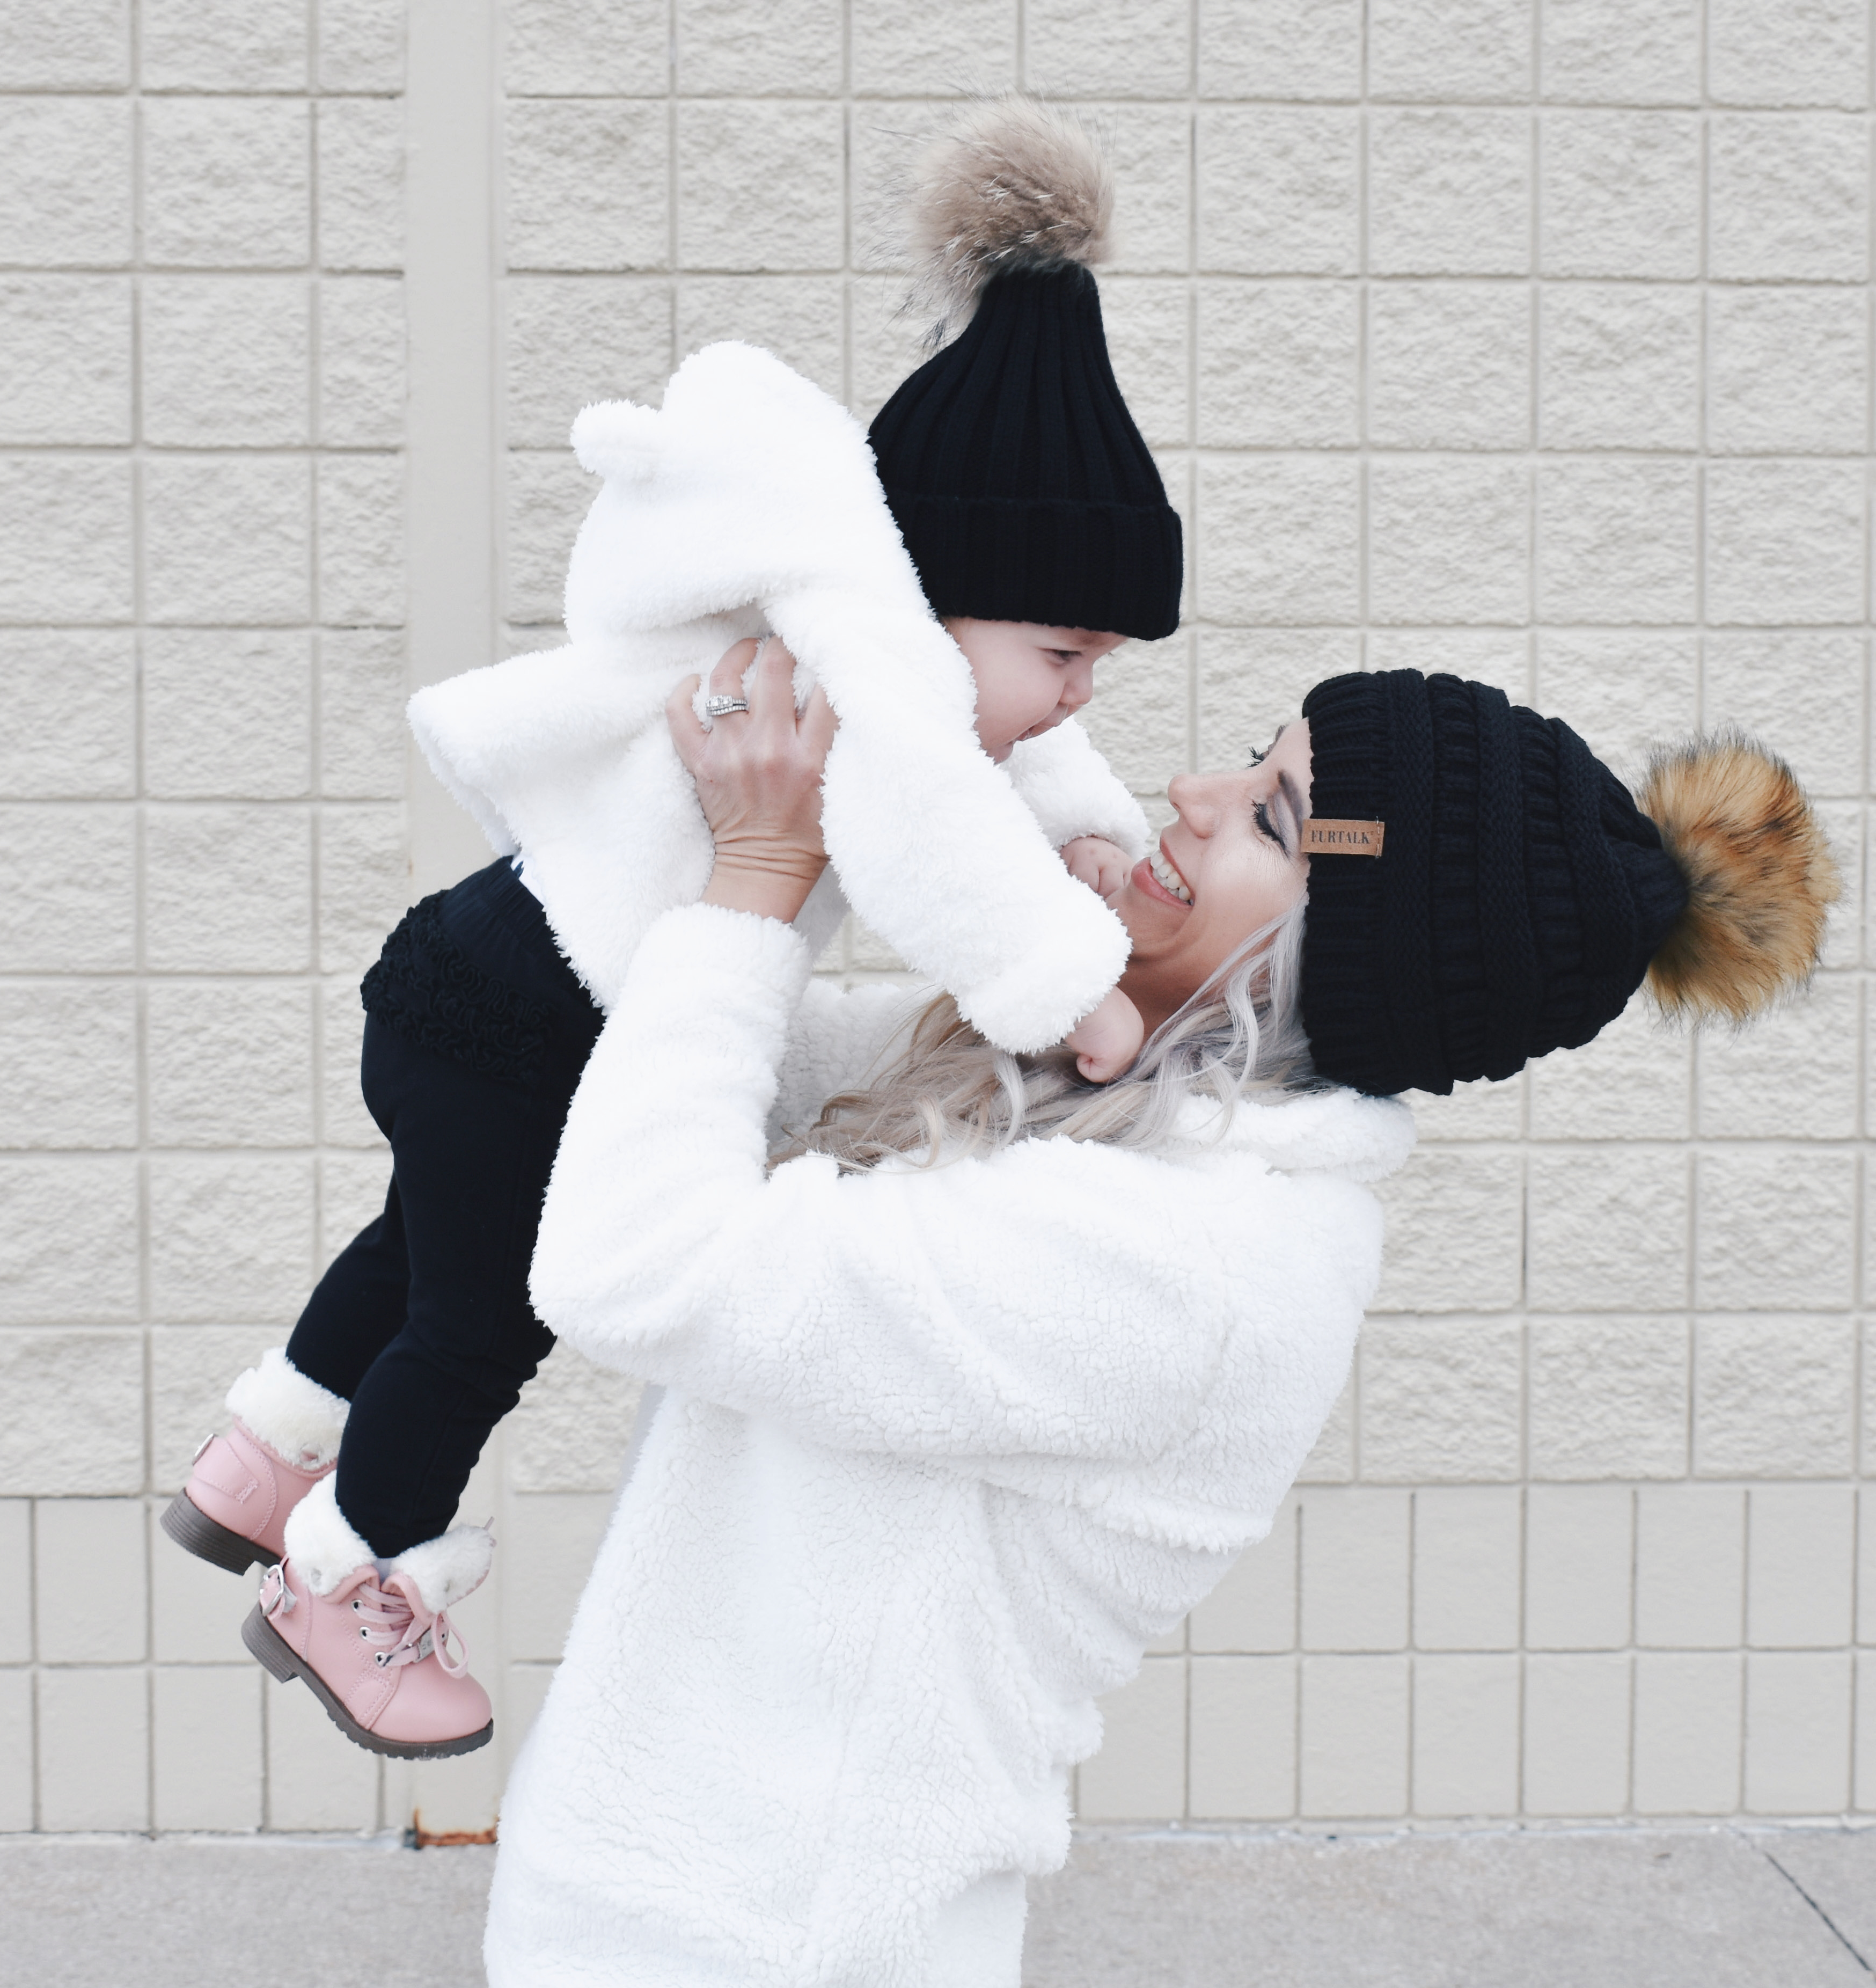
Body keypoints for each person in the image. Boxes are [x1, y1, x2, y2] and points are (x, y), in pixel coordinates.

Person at [482, 657, 1835, 1985]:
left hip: (764, 1933)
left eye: (1272, 816)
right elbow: (676, 1057)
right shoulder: (1127, 1115)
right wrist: (979, 934)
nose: (1190, 791)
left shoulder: (1191, 1265)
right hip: (695, 1894)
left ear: (1362, 956)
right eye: (1250, 759)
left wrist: (764, 876)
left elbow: (636, 1253)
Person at [162, 98, 1183, 1760]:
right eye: (1069, 652)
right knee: (484, 1318)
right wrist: (1080, 995)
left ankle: (257, 1457)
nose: (1078, 695)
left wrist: (1086, 828)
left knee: (427, 1244)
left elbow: (1018, 747)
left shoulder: (882, 638)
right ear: (950, 603)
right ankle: (340, 1578)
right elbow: (932, 841)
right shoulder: (880, 687)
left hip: (469, 971)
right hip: (518, 1019)